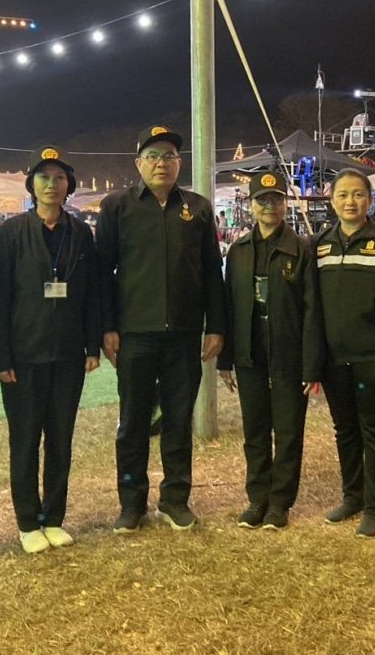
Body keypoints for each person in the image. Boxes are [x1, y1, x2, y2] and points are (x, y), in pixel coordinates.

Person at [96, 125, 225, 533]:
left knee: (178, 421)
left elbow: (212, 272)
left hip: (184, 335)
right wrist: (107, 326)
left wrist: (215, 326)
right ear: (138, 164)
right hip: (134, 334)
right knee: (133, 423)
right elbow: (102, 273)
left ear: (179, 163)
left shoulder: (197, 209)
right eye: (152, 156)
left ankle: (175, 500)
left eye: (169, 155)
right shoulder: (117, 207)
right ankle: (131, 503)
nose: (161, 163)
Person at [0, 146, 101, 554]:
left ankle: (53, 517)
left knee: (60, 439)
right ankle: (27, 521)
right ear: (31, 185)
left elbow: (91, 293)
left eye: (59, 178)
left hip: (68, 354)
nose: (51, 185)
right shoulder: (11, 233)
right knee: (24, 440)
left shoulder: (80, 233)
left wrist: (91, 345)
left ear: (68, 185)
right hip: (23, 355)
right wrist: (1, 354)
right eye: (43, 178)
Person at [218, 170, 323, 531]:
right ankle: (257, 498)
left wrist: (312, 365)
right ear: (250, 205)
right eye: (262, 200)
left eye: (276, 199)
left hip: (289, 352)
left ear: (285, 203)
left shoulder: (302, 249)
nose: (269, 206)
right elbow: (229, 306)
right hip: (249, 350)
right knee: (255, 430)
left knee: (289, 431)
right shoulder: (238, 251)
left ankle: (280, 503)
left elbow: (312, 310)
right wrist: (226, 359)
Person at [312, 168, 375, 538]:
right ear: (332, 200)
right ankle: (352, 497)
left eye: (358, 194)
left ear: (369, 200)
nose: (350, 201)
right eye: (342, 195)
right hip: (335, 357)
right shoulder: (319, 244)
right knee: (345, 429)